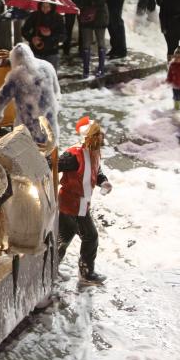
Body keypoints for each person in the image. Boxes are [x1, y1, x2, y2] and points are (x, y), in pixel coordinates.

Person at [57, 116, 111, 285]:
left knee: (68, 239)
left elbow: (97, 170)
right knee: (83, 238)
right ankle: (84, 274)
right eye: (98, 134)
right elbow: (52, 166)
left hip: (81, 205)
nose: (102, 137)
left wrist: (103, 181)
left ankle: (55, 269)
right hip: (70, 204)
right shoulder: (74, 154)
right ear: (89, 137)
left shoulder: (94, 151)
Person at [0, 43, 61, 144]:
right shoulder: (47, 66)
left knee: (25, 152)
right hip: (49, 122)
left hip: (27, 127)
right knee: (49, 147)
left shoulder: (16, 75)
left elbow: (2, 97)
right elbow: (57, 91)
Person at [73, 0, 115, 78]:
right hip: (86, 13)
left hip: (101, 14)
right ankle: (86, 70)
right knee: (86, 43)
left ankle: (101, 68)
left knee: (101, 42)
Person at [21, 2, 65, 70]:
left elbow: (63, 36)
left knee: (50, 77)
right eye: (43, 6)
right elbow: (24, 31)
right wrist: (31, 39)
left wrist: (51, 34)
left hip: (52, 52)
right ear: (39, 6)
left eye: (48, 7)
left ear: (52, 7)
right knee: (36, 76)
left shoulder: (58, 17)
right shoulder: (34, 15)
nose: (45, 9)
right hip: (36, 51)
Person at [167, 46, 180, 110]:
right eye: (175, 56)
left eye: (179, 57)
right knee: (176, 97)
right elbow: (170, 73)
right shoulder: (172, 64)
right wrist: (169, 79)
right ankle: (176, 108)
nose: (176, 58)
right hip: (176, 85)